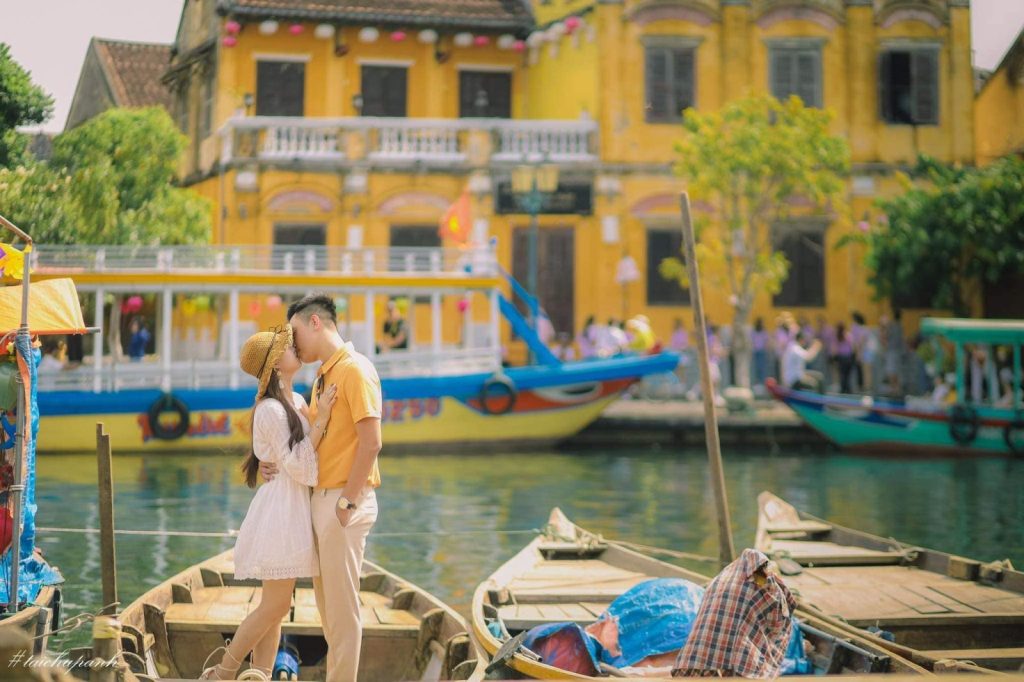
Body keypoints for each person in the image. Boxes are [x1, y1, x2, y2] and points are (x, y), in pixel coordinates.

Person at [201, 325, 338, 679]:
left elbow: (300, 455)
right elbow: (299, 466)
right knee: (275, 606)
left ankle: (259, 674)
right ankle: (224, 671)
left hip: (292, 507)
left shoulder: (296, 402)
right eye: (288, 347)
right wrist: (322, 419)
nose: (295, 348)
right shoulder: (271, 410)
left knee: (276, 609)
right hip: (281, 511)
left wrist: (317, 419)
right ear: (276, 364)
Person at [260, 294, 383, 682]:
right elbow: (308, 445)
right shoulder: (322, 379)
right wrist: (268, 460)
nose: (293, 344)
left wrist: (346, 503)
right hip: (322, 501)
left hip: (341, 502)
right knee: (330, 612)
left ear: (315, 323)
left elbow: (371, 443)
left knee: (342, 613)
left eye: (295, 332)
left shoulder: (354, 369)